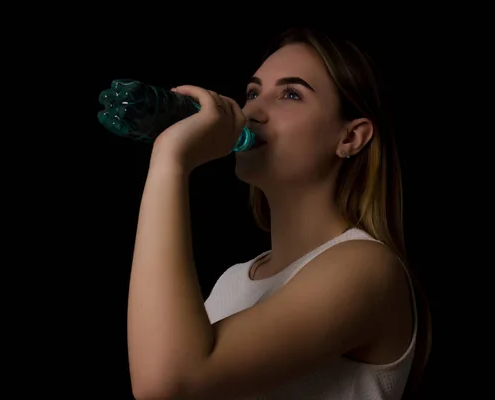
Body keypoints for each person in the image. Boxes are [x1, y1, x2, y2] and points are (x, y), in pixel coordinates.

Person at [126, 27, 431, 400]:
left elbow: (167, 380)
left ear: (350, 137)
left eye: (291, 94)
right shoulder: (232, 282)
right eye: (253, 93)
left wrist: (170, 160)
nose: (252, 110)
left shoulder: (368, 268)